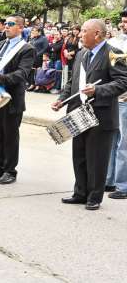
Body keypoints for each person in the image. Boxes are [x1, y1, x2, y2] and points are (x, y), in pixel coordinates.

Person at [52, 19, 127, 210]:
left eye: (84, 31)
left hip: (101, 115)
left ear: (97, 34)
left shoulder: (115, 53)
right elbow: (72, 82)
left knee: (97, 158)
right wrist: (62, 99)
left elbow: (122, 82)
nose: (80, 34)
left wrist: (98, 90)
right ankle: (80, 193)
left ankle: (95, 197)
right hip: (78, 112)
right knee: (79, 156)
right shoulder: (81, 54)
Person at [0, 14, 35, 184]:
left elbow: (22, 73)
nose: (7, 26)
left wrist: (3, 79)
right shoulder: (0, 45)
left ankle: (10, 170)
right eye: (6, 24)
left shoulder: (27, 49)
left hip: (12, 99)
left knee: (10, 135)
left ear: (20, 28)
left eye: (11, 24)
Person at [105, 9, 127, 200]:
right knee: (112, 140)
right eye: (123, 21)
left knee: (124, 144)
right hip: (116, 98)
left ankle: (123, 185)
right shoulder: (116, 43)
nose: (123, 24)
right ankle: (109, 180)